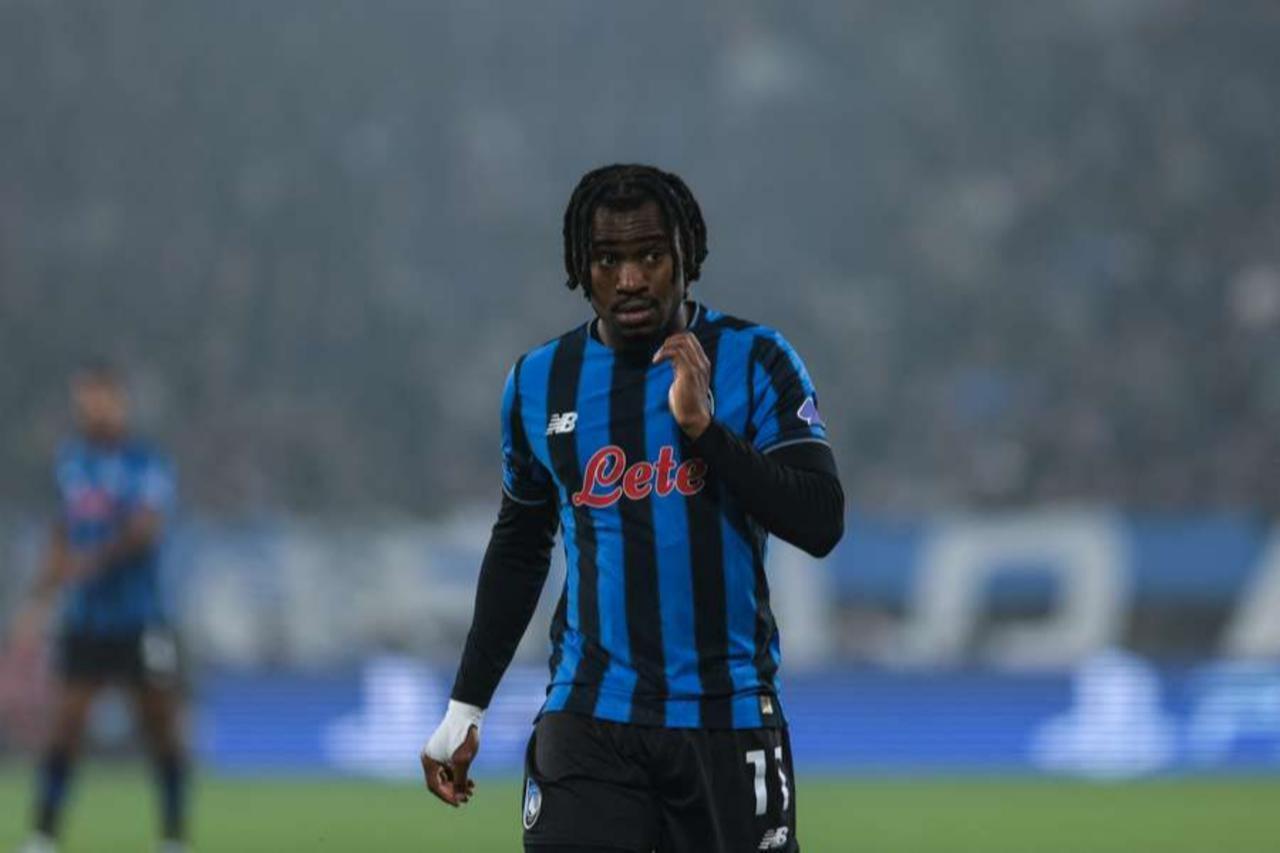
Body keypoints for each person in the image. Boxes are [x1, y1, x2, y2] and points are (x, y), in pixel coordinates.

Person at [421, 164, 844, 852]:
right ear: (580, 268)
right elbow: (521, 546)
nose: (631, 279)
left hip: (726, 716)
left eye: (651, 255)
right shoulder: (538, 381)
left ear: (687, 256)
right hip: (589, 721)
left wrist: (707, 434)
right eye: (608, 259)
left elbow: (822, 520)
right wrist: (466, 704)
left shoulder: (757, 360)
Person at [7, 364, 190, 853]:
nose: (92, 407)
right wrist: (38, 601)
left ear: (121, 402)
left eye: (101, 398)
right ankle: (44, 834)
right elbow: (60, 534)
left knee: (160, 725)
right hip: (87, 619)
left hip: (142, 617)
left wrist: (90, 562)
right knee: (65, 723)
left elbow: (146, 529)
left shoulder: (145, 462)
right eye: (84, 399)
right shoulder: (72, 461)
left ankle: (173, 837)